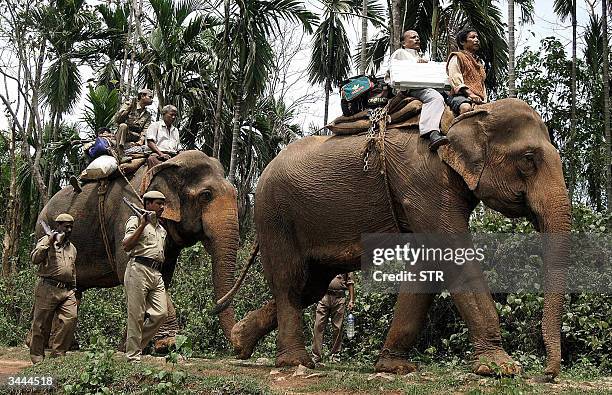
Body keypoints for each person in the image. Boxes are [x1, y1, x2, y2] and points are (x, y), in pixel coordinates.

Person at [122, 191, 169, 363]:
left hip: (156, 273)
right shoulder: (135, 221)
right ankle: (133, 357)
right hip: (138, 269)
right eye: (159, 203)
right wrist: (142, 225)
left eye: (163, 204)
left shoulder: (161, 229)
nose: (162, 207)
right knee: (136, 315)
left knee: (161, 313)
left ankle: (134, 346)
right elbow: (126, 245)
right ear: (148, 204)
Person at [386, 30, 449, 151]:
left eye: (418, 37)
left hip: (425, 86)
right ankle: (431, 132)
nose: (417, 39)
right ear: (404, 43)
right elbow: (391, 74)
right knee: (435, 98)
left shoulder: (421, 57)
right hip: (412, 89)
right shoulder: (400, 53)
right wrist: (416, 65)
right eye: (413, 37)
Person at [29, 213, 78, 364]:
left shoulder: (72, 248)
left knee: (70, 319)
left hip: (67, 290)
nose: (68, 229)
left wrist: (74, 288)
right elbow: (35, 259)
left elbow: (72, 269)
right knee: (41, 324)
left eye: (71, 227)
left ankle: (58, 355)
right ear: (58, 226)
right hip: (48, 288)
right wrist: (48, 243)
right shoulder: (45, 241)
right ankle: (37, 358)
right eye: (65, 226)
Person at [312, 272, 355, 364]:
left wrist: (351, 300)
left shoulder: (346, 263)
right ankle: (316, 356)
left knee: (337, 328)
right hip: (324, 296)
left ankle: (335, 356)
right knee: (318, 325)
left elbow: (350, 282)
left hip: (339, 297)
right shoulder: (326, 261)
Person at [446, 28, 487, 115]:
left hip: (478, 99)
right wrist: (471, 94)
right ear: (462, 42)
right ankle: (454, 128)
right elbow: (455, 79)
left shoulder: (479, 63)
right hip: (460, 97)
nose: (476, 40)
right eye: (472, 37)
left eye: (477, 37)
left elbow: (482, 85)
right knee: (466, 108)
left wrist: (485, 100)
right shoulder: (457, 57)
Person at [69, 127, 116, 193]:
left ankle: (81, 180)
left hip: (109, 156)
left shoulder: (110, 138)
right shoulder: (107, 138)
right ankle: (81, 180)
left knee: (86, 157)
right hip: (105, 157)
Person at [114, 88, 154, 156]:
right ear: (142, 96)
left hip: (136, 136)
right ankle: (120, 153)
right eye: (150, 97)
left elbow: (145, 129)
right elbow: (117, 120)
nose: (151, 99)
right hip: (125, 133)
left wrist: (141, 140)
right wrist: (128, 109)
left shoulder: (147, 114)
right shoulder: (129, 105)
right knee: (123, 126)